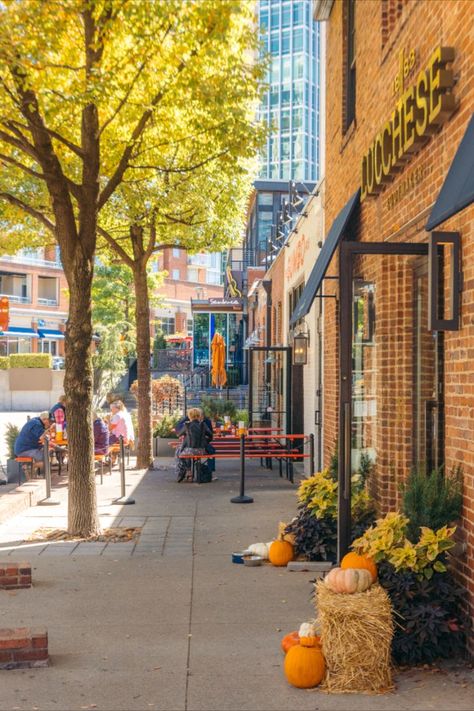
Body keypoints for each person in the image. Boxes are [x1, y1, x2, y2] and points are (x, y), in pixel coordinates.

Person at [175, 407, 213, 482]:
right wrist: (205, 441)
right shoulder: (203, 425)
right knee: (185, 447)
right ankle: (189, 470)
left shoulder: (187, 425)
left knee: (178, 452)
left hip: (189, 451)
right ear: (199, 416)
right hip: (202, 451)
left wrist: (187, 434)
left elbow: (178, 434)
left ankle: (185, 469)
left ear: (189, 416)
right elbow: (211, 436)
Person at [14, 411, 53, 477]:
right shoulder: (37, 424)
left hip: (25, 447)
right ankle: (29, 466)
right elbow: (42, 437)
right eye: (49, 421)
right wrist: (49, 430)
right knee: (46, 458)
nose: (50, 424)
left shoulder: (36, 421)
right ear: (44, 419)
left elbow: (41, 437)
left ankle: (38, 472)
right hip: (25, 449)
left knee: (48, 452)